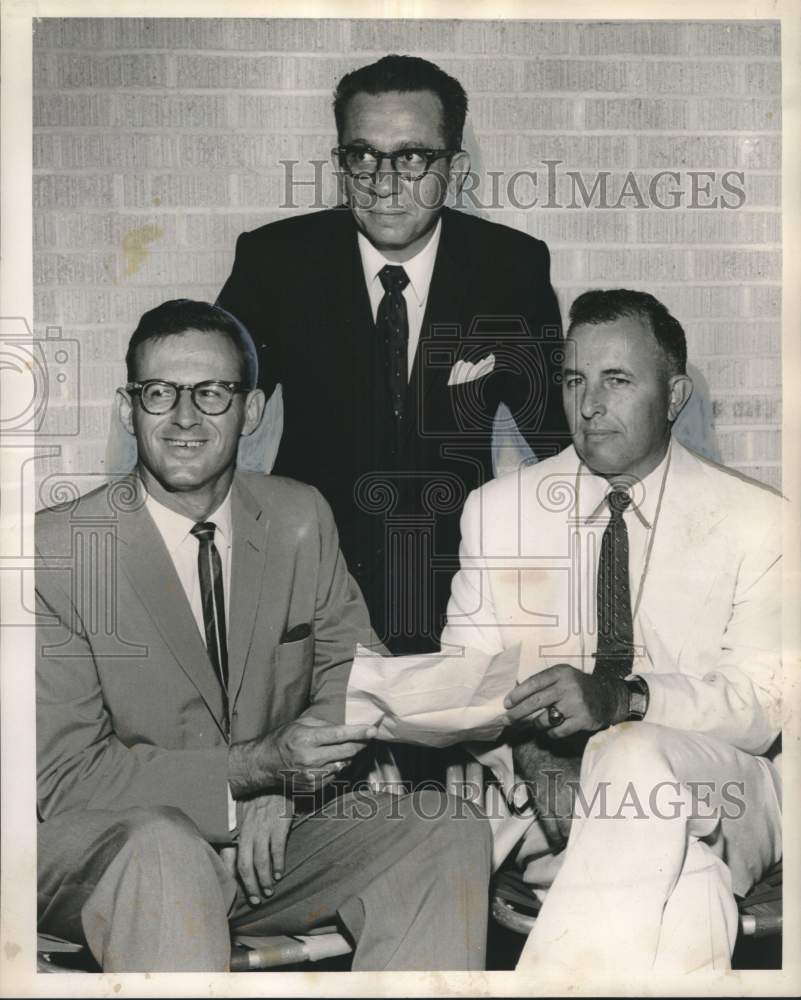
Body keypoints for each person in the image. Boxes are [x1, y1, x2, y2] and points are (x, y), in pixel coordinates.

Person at [35, 299, 491, 973]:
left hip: (269, 844)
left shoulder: (297, 515)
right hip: (108, 855)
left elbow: (354, 673)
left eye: (212, 394)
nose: (184, 418)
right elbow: (65, 780)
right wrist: (249, 773)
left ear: (249, 412)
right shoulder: (61, 552)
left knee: (443, 830)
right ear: (127, 410)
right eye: (160, 393)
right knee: (165, 849)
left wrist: (286, 785)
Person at [441, 289, 782, 972]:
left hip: (721, 797)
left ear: (675, 393)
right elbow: (463, 684)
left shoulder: (759, 520)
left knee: (629, 754)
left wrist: (626, 701)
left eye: (616, 380)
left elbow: (765, 708)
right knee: (689, 899)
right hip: (546, 808)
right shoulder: (499, 511)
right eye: (574, 380)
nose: (588, 405)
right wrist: (531, 756)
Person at [217, 54, 568, 656]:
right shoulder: (275, 261)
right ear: (340, 164)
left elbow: (560, 439)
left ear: (454, 169)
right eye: (363, 156)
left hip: (458, 593)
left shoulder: (512, 268)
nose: (383, 182)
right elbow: (208, 408)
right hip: (304, 588)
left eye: (411, 157)